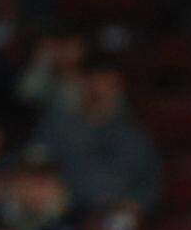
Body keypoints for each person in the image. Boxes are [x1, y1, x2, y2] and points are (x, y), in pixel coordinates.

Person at [32, 51, 161, 215]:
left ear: (119, 86)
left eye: (107, 83)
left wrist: (135, 203)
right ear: (82, 83)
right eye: (93, 81)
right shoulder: (59, 124)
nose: (99, 89)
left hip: (117, 217)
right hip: (66, 212)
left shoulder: (136, 133)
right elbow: (34, 160)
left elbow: (151, 184)